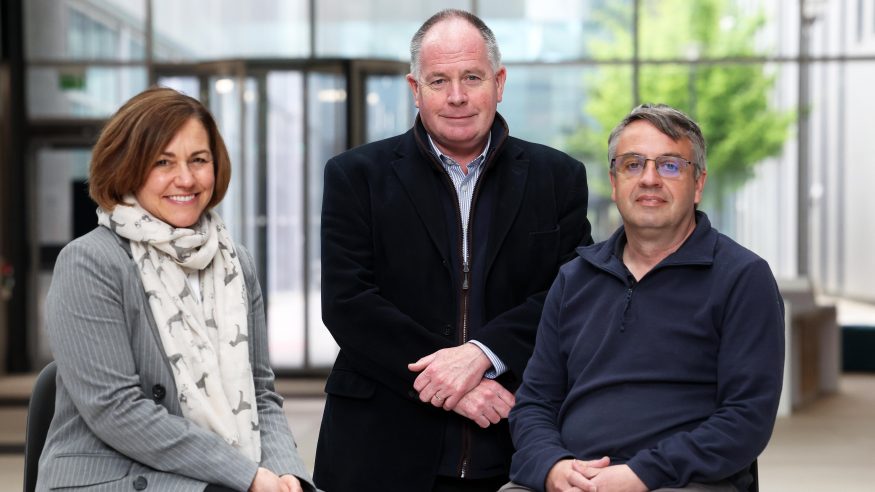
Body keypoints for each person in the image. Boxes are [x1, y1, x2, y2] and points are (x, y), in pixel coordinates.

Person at [314, 9, 592, 492]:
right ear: (415, 89)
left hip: (508, 440)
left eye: (472, 77)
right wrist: (453, 383)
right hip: (379, 446)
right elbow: (347, 302)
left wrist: (483, 354)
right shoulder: (356, 176)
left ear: (499, 82)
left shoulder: (558, 178)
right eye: (439, 80)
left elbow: (569, 294)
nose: (457, 96)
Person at [38, 87, 317, 492]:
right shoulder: (90, 262)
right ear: (127, 167)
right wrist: (246, 477)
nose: (185, 179)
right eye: (162, 162)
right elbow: (116, 410)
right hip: (114, 478)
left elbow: (261, 395)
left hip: (222, 476)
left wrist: (287, 473)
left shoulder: (236, 261)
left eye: (198, 160)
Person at [503, 104, 785, 492]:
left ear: (699, 183)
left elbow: (746, 419)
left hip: (682, 481)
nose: (649, 179)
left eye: (670, 165)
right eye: (633, 164)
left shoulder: (743, 278)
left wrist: (642, 474)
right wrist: (553, 467)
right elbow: (534, 403)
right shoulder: (574, 279)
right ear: (614, 182)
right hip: (574, 478)